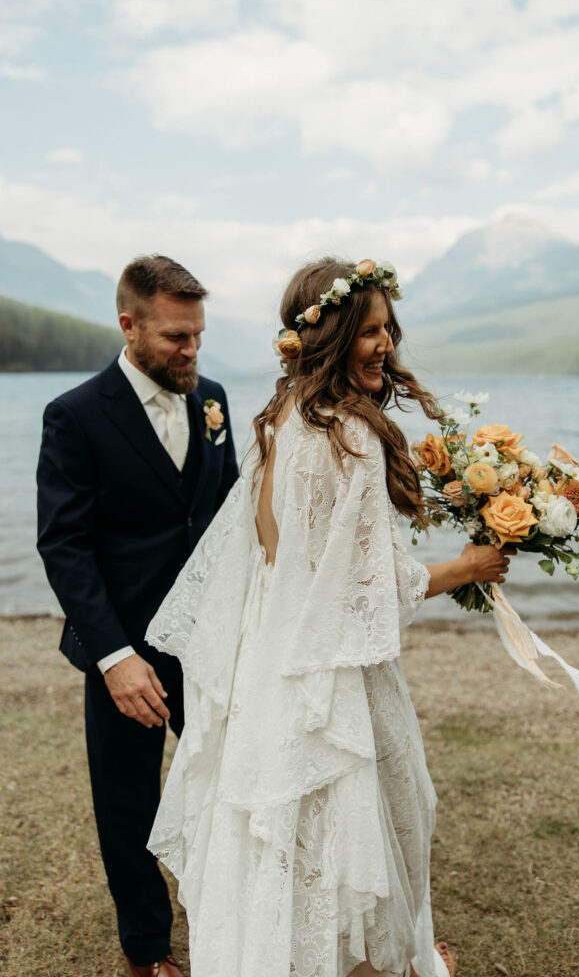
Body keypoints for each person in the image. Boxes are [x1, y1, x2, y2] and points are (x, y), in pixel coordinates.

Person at [145, 257, 513, 977]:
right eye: (367, 330)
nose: (383, 345)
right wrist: (469, 568)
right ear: (330, 335)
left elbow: (277, 557)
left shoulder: (282, 419)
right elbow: (370, 588)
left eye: (387, 329)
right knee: (356, 839)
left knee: (281, 847)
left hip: (268, 666)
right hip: (329, 678)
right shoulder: (348, 435)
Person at [36, 254, 238, 977]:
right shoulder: (76, 416)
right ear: (129, 325)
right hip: (127, 651)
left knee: (231, 786)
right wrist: (115, 657)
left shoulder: (211, 400)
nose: (190, 352)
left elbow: (229, 518)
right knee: (129, 806)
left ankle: (235, 924)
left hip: (211, 642)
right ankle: (147, 951)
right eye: (175, 338)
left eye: (197, 336)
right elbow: (63, 547)